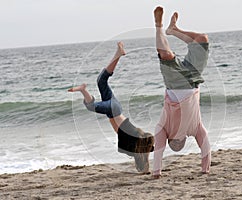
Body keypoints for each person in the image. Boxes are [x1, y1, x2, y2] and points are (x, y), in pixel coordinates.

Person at [68, 42, 154, 174]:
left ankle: (117, 55)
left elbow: (150, 146)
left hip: (115, 106)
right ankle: (83, 90)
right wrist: (145, 165)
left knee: (101, 81)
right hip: (113, 110)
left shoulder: (135, 135)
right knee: (91, 106)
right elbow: (146, 151)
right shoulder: (132, 142)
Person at [152, 6, 211, 179]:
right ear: (184, 139)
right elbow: (205, 146)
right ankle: (173, 30)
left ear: (171, 140)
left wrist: (157, 172)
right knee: (202, 39)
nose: (178, 139)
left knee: (166, 54)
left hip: (176, 83)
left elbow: (159, 149)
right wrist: (205, 169)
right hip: (194, 78)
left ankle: (158, 25)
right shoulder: (195, 128)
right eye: (180, 141)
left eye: (175, 141)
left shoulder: (163, 128)